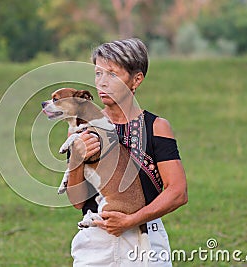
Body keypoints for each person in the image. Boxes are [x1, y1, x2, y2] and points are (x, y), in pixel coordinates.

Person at [66, 38, 188, 266]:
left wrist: (131, 220)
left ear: (136, 79)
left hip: (145, 242)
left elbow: (178, 192)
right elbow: (77, 201)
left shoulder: (156, 127)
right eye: (98, 74)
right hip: (94, 244)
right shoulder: (83, 128)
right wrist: (76, 158)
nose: (102, 83)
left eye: (112, 74)